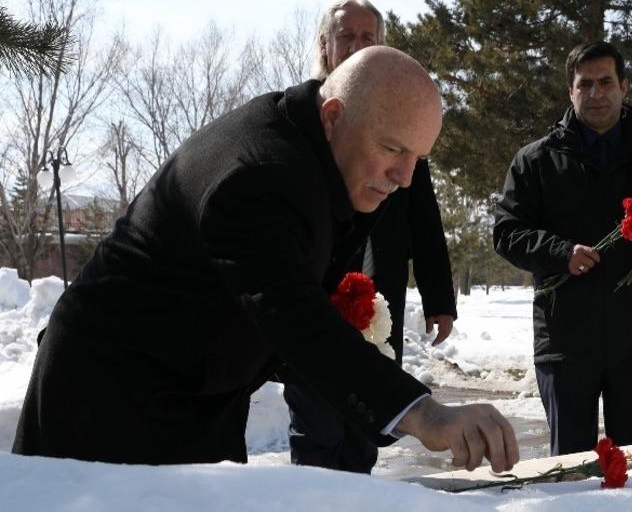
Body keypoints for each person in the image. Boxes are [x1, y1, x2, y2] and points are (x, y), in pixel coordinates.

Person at [13, 46, 518, 475]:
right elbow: (292, 315)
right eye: (392, 149)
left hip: (195, 393)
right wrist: (424, 414)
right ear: (335, 114)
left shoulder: (327, 158)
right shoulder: (260, 175)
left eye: (417, 158)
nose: (405, 177)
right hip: (109, 402)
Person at [492, 41, 632, 456]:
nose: (596, 93)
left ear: (625, 86)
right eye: (584, 84)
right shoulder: (535, 162)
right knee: (570, 475)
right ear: (570, 92)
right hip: (566, 339)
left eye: (605, 82)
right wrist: (559, 252)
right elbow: (506, 232)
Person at [282, 0, 457, 474]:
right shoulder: (301, 118)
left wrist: (440, 297)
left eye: (368, 37)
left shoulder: (398, 117)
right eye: (347, 35)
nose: (357, 44)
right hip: (314, 292)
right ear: (325, 45)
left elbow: (424, 216)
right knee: (316, 418)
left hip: (378, 295)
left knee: (367, 422)